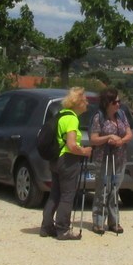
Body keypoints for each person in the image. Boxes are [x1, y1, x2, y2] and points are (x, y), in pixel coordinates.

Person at [40, 87, 93, 241]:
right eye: (85, 101)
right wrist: (84, 151)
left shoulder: (61, 115)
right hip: (68, 160)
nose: (87, 104)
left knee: (55, 194)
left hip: (55, 159)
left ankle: (46, 226)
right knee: (67, 195)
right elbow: (71, 145)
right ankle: (62, 229)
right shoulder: (72, 119)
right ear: (78, 103)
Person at [89, 87, 132, 235]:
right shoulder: (99, 118)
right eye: (115, 102)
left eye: (119, 101)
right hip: (104, 158)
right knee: (102, 190)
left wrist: (121, 141)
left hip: (119, 158)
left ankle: (114, 222)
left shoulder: (121, 115)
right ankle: (98, 222)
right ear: (108, 103)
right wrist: (108, 138)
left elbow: (129, 133)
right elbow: (93, 139)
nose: (118, 104)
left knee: (114, 190)